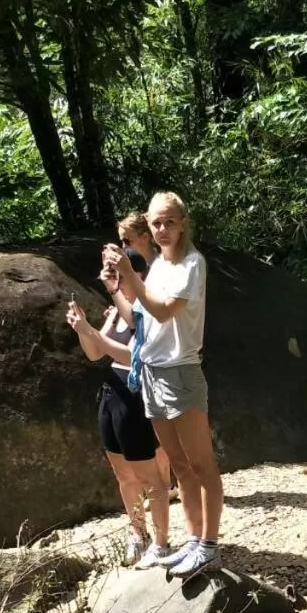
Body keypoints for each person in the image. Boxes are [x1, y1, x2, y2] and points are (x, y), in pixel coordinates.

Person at [101, 191, 224, 579]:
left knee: (202, 465)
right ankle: (194, 540)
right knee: (181, 467)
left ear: (183, 223)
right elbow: (138, 320)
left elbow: (165, 311)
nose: (162, 229)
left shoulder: (192, 264)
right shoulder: (158, 268)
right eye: (156, 222)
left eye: (169, 221)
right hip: (151, 373)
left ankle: (209, 546)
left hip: (180, 371)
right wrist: (115, 287)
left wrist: (129, 273)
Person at [65, 264, 171, 567]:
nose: (118, 282)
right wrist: (82, 327)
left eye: (123, 276)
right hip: (111, 393)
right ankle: (138, 533)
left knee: (150, 478)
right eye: (115, 277)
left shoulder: (151, 312)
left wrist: (89, 331)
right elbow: (94, 353)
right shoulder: (117, 313)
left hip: (135, 396)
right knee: (124, 475)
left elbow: (134, 357)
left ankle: (161, 544)